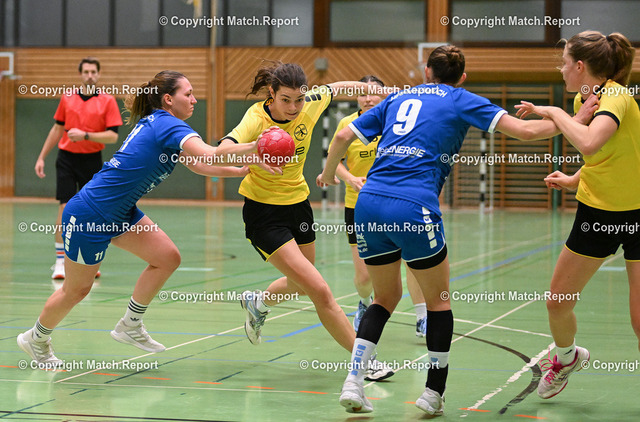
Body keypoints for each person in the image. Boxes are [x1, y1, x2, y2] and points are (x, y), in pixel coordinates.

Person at [318, 45, 597, 415]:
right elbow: (527, 131)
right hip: (413, 205)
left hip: (368, 203)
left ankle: (354, 382)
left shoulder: (397, 98)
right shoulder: (461, 98)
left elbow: (341, 138)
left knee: (383, 298)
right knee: (439, 301)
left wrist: (328, 174)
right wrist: (575, 117)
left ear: (426, 71)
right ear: (462, 77)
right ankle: (433, 393)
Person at [18, 70, 256, 366]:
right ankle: (36, 338)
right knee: (76, 289)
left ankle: (130, 325)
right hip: (91, 212)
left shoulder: (161, 123)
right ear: (168, 99)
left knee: (167, 257)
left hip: (120, 212)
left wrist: (238, 170)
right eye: (188, 94)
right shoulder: (168, 124)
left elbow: (197, 164)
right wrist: (255, 146)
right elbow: (210, 154)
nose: (194, 100)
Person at [220, 61, 393, 380]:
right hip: (264, 214)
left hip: (299, 206)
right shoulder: (256, 118)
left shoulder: (311, 102)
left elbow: (339, 87)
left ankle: (258, 302)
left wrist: (374, 90)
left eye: (299, 99)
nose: (294, 107)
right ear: (271, 94)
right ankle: (364, 360)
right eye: (285, 100)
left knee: (301, 285)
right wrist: (254, 149)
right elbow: (223, 150)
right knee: (320, 290)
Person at [515, 31, 638, 399]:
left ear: (580, 66)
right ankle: (567, 358)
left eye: (564, 63)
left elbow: (589, 141)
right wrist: (573, 179)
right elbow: (607, 154)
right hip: (596, 215)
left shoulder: (616, 97)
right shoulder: (587, 99)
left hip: (636, 215)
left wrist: (554, 112)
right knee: (557, 302)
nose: (561, 69)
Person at [329, 75, 428, 337]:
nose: (368, 98)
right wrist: (349, 178)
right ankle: (364, 302)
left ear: (385, 95)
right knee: (364, 278)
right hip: (359, 207)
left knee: (412, 261)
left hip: (398, 202)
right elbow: (334, 161)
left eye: (373, 93)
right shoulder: (347, 124)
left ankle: (422, 317)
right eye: (362, 93)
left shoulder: (396, 121)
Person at [35, 57, 123, 280]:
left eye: (93, 72)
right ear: (80, 74)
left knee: (91, 212)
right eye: (86, 72)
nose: (90, 75)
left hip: (92, 160)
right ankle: (60, 262)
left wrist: (85, 135)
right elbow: (57, 129)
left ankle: (89, 261)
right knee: (65, 208)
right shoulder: (67, 98)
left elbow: (112, 136)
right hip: (66, 159)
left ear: (98, 74)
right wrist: (41, 157)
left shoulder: (107, 100)